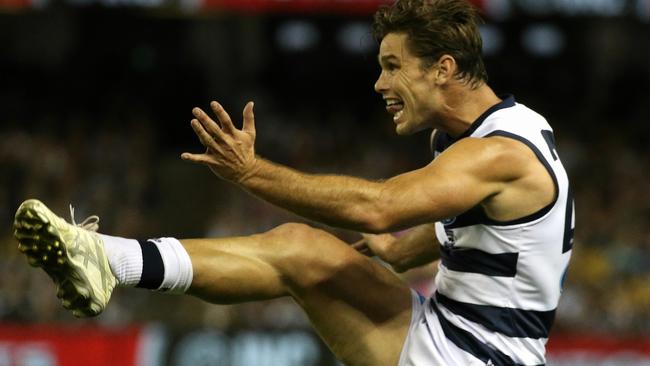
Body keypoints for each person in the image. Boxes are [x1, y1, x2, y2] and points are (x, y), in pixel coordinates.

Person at [13, 0, 575, 365]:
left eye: (392, 65)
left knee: (297, 254)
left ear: (444, 68)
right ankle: (106, 259)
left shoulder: (495, 153)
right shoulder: (492, 133)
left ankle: (109, 260)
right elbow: (486, 230)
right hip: (450, 332)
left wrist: (251, 172)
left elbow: (380, 207)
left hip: (479, 357)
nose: (379, 83)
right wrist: (404, 253)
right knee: (298, 248)